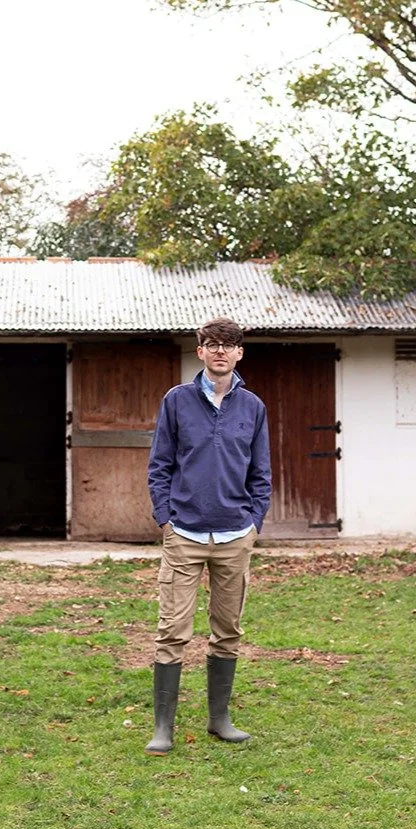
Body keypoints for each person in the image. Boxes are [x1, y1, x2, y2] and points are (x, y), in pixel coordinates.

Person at [145, 316, 271, 755]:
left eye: (229, 345)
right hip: (184, 532)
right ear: (200, 351)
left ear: (239, 353)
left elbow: (261, 472)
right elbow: (159, 464)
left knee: (228, 630)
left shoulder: (253, 407)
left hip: (236, 535)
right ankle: (164, 728)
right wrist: (165, 517)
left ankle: (219, 719)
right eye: (212, 344)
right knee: (172, 631)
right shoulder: (177, 401)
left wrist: (255, 521)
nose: (220, 351)